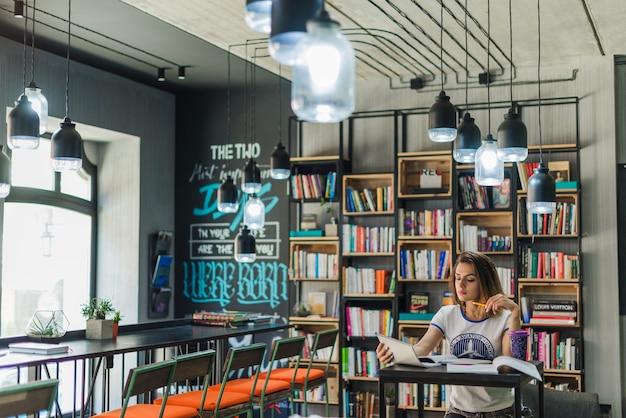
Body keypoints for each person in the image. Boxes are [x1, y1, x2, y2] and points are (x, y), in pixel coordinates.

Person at [376, 251, 522, 418]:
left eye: (470, 279)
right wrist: (394, 354)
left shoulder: (505, 318)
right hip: (459, 411)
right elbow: (422, 348)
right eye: (458, 278)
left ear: (485, 283)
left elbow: (509, 365)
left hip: (499, 411)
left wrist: (515, 313)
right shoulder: (447, 314)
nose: (461, 285)